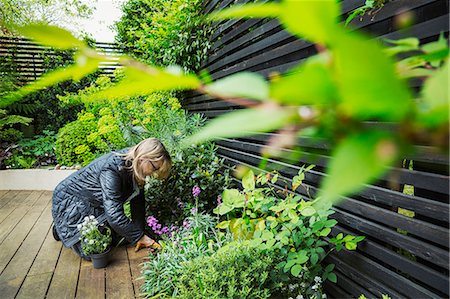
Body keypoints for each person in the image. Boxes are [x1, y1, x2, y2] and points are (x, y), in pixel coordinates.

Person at [51, 138, 172, 259]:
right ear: (143, 157)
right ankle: (61, 229)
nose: (154, 173)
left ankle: (62, 229)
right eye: (155, 168)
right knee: (95, 251)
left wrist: (139, 234)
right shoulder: (111, 169)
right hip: (70, 202)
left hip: (93, 204)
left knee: (120, 239)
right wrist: (139, 237)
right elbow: (114, 214)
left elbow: (137, 204)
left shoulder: (136, 167)